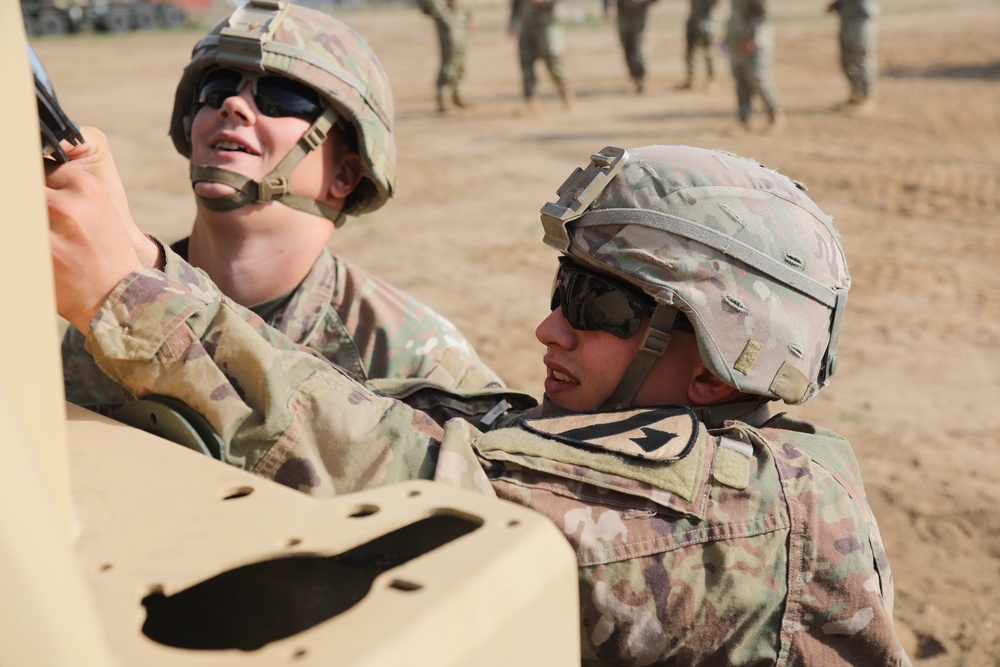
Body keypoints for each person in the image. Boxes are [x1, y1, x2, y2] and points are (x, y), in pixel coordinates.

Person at [48, 134, 912, 664]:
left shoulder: (757, 506)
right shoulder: (620, 432)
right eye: (563, 284)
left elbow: (431, 485)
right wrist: (150, 265)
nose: (549, 327)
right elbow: (424, 415)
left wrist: (130, 296)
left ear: (719, 368)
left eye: (597, 303)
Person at [59, 0, 506, 417]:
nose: (233, 105)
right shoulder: (110, 312)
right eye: (215, 92)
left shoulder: (417, 361)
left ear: (345, 176)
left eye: (280, 99)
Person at [724, 0, 784, 130]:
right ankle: (743, 119)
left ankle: (774, 113)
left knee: (757, 78)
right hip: (736, 41)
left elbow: (762, 16)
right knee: (740, 79)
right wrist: (728, 37)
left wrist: (752, 39)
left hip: (755, 44)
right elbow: (736, 15)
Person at [508, 0, 575, 113]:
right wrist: (513, 22)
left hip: (549, 20)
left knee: (552, 57)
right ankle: (532, 98)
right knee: (526, 61)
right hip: (527, 21)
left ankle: (565, 90)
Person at [417, 0, 476, 112]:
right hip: (449, 19)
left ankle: (458, 93)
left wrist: (470, 17)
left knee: (460, 58)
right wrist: (444, 16)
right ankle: (443, 95)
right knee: (450, 59)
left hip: (462, 17)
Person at [827, 0, 879, 112]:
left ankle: (867, 96)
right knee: (847, 58)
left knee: (861, 56)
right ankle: (856, 94)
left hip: (860, 17)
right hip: (847, 16)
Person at [603, 0, 658, 94]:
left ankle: (640, 77)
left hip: (639, 10)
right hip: (623, 10)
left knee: (637, 45)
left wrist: (650, 3)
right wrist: (607, 7)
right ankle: (634, 76)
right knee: (626, 44)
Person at [678, 0, 718, 90]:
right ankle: (690, 78)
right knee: (689, 52)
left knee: (708, 51)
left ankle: (712, 78)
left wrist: (710, 25)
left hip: (704, 22)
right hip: (692, 20)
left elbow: (713, 7)